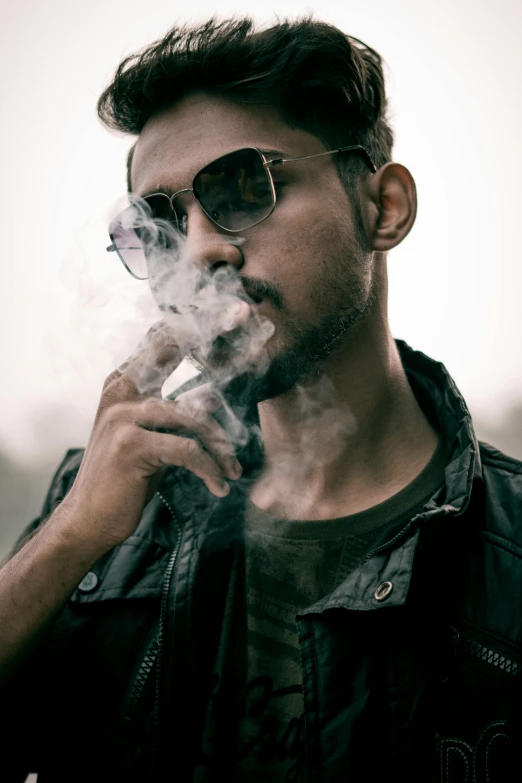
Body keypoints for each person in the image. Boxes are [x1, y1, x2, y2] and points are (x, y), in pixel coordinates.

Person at [1, 16, 521, 783]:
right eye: (161, 223)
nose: (202, 249)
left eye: (246, 186)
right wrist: (73, 531)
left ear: (384, 207)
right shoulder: (110, 509)